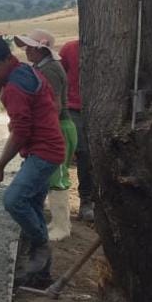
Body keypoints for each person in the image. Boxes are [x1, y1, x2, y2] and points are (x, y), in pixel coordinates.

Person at [0, 36, 65, 287]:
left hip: (44, 152)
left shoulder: (15, 87)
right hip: (47, 149)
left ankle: (40, 246)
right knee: (33, 204)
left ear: (7, 59)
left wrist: (0, 165)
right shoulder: (24, 72)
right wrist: (1, 82)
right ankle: (40, 273)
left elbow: (21, 131)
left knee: (14, 200)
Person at [14, 29, 77, 241]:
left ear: (42, 50)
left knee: (57, 176)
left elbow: (54, 105)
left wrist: (39, 127)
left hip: (58, 127)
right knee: (49, 177)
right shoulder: (43, 68)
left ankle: (62, 225)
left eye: (31, 47)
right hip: (55, 126)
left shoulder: (50, 70)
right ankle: (54, 222)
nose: (27, 50)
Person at [59, 39, 95, 222]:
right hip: (74, 108)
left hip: (101, 108)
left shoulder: (109, 48)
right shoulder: (69, 49)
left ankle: (97, 200)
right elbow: (59, 77)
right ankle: (86, 201)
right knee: (84, 153)